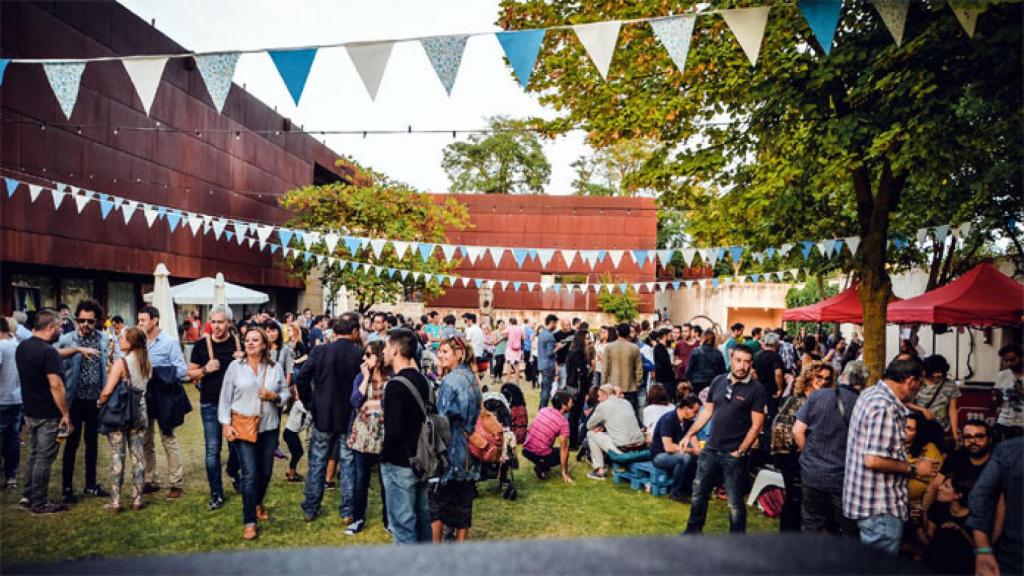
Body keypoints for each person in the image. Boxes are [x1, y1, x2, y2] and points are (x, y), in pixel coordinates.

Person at [842, 358, 936, 555]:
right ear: (910, 381)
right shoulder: (885, 407)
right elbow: (873, 459)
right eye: (920, 384)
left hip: (866, 501)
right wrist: (914, 468)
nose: (919, 390)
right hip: (880, 506)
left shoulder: (870, 394)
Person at [681, 345, 765, 535]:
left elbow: (756, 425)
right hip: (710, 450)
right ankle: (692, 532)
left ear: (751, 364)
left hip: (734, 455)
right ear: (731, 360)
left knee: (734, 503)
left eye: (747, 362)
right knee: (698, 494)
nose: (742, 366)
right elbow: (707, 412)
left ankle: (736, 541)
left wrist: (741, 451)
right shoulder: (718, 381)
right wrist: (689, 434)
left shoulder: (756, 389)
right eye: (738, 360)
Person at [219, 327, 289, 540]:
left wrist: (274, 396)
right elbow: (225, 397)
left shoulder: (275, 367)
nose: (249, 343)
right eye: (247, 340)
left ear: (264, 345)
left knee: (265, 472)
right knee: (249, 473)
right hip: (242, 426)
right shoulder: (235, 367)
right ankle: (249, 521)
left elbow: (286, 392)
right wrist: (225, 423)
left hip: (268, 426)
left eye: (255, 340)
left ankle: (257, 501)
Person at [296, 312, 363, 524]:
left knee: (317, 463)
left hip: (323, 414)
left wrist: (310, 404)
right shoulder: (359, 353)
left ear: (334, 331)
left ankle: (310, 507)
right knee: (348, 464)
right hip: (348, 416)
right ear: (354, 332)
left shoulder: (321, 351)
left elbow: (302, 378)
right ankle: (347, 511)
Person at [793, 361, 860, 537]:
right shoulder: (860, 403)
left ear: (842, 376)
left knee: (811, 523)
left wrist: (809, 454)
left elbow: (797, 431)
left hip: (813, 472)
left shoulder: (817, 397)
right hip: (842, 476)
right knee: (846, 527)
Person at [380, 328, 434, 544]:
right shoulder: (423, 380)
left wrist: (383, 456)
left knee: (402, 527)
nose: (383, 351)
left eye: (385, 346)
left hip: (399, 462)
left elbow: (394, 431)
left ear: (395, 349)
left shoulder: (395, 385)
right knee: (422, 520)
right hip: (422, 458)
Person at [55, 298, 111, 503]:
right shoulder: (67, 339)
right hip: (74, 400)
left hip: (95, 400)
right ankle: (67, 488)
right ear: (77, 320)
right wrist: (77, 350)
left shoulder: (103, 339)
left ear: (97, 321)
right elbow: (52, 354)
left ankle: (90, 484)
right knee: (71, 443)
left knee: (92, 444)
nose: (85, 325)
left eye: (90, 321)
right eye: (82, 320)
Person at [16, 308, 72, 514]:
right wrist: (65, 413)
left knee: (33, 455)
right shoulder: (48, 352)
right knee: (44, 458)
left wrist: (76, 350)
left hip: (29, 410)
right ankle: (39, 502)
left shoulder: (23, 347)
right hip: (48, 413)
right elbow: (56, 385)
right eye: (59, 326)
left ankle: (28, 495)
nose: (61, 329)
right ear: (50, 327)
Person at [186, 305, 241, 511]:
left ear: (228, 323)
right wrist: (205, 369)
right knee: (212, 450)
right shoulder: (201, 345)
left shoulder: (238, 343)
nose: (217, 326)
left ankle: (234, 472)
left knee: (237, 446)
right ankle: (216, 493)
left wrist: (243, 360)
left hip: (235, 405)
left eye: (221, 322)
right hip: (210, 403)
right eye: (214, 322)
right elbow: (189, 374)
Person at [431, 336, 482, 543]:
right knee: (463, 503)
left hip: (452, 447)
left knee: (437, 502)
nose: (440, 356)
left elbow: (442, 419)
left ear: (459, 354)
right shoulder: (471, 377)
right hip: (470, 446)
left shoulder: (450, 382)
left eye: (445, 352)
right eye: (439, 351)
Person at [772, 363, 834, 532]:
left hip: (808, 457)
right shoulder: (798, 400)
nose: (823, 382)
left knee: (804, 501)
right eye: (819, 377)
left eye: (827, 379)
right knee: (795, 498)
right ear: (809, 377)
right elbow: (782, 428)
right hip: (792, 457)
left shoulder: (822, 401)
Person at [96, 326, 151, 512]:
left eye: (123, 338)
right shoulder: (145, 361)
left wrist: (99, 402)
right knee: (138, 456)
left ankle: (115, 501)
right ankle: (137, 499)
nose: (119, 340)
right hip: (140, 412)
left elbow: (108, 391)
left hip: (121, 413)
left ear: (131, 342)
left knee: (117, 457)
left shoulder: (123, 362)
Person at [137, 305, 188, 500]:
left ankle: (176, 483)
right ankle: (150, 480)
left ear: (154, 320)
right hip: (144, 395)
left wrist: (158, 372)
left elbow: (181, 370)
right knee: (146, 440)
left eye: (143, 320)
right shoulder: (139, 342)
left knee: (168, 439)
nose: (140, 324)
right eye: (139, 320)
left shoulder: (169, 343)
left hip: (165, 396)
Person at [347, 340, 389, 535]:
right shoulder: (360, 377)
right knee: (360, 479)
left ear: (380, 356)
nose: (364, 358)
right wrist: (365, 378)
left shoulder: (392, 378)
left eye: (369, 355)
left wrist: (372, 405)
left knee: (386, 480)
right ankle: (357, 518)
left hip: (385, 434)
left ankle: (388, 520)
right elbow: (355, 401)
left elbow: (391, 406)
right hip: (362, 434)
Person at [968, 436, 1022, 576]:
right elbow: (980, 496)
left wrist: (983, 548)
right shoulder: (1008, 450)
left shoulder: (1008, 449)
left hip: (1014, 553)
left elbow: (980, 496)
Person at [923, 419, 994, 520]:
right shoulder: (956, 457)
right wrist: (925, 519)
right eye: (968, 437)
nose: (973, 441)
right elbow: (933, 487)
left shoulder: (997, 462)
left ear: (989, 439)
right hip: (955, 516)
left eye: (979, 436)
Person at [585, 384, 645, 481]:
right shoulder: (626, 402)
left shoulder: (603, 406)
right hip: (639, 445)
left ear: (605, 395)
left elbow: (588, 425)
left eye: (599, 396)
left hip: (622, 449)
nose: (598, 399)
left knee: (591, 434)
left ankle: (600, 470)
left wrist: (598, 427)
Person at [922, 474, 976, 575]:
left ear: (958, 495)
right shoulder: (937, 509)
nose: (939, 487)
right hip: (936, 562)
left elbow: (978, 548)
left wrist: (959, 529)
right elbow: (929, 537)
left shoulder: (974, 517)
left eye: (946, 486)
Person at [651, 395, 702, 503]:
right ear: (686, 409)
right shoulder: (668, 419)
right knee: (685, 458)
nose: (696, 414)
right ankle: (676, 492)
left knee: (697, 458)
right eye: (695, 411)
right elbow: (669, 447)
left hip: (676, 453)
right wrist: (693, 450)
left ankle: (692, 490)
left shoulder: (688, 421)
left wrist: (699, 450)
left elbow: (693, 438)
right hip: (660, 455)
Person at [522, 389, 574, 483]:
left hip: (526, 450)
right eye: (570, 403)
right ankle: (541, 466)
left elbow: (530, 429)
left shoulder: (543, 410)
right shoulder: (563, 423)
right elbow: (564, 448)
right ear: (563, 406)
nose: (572, 404)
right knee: (563, 452)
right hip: (539, 453)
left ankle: (542, 464)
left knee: (548, 448)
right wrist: (565, 473)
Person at [908, 355, 961, 445]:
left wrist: (955, 433)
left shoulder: (950, 385)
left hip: (941, 429)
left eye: (941, 372)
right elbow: (906, 403)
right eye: (935, 372)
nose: (938, 375)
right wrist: (923, 410)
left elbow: (952, 410)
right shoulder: (918, 383)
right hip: (920, 429)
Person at [0, 318, 22, 489]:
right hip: (16, 398)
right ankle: (11, 476)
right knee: (13, 438)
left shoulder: (1, 346)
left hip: (2, 398)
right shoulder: (17, 345)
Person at [603, 323, 643, 415]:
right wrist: (638, 383)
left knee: (613, 415)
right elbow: (639, 369)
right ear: (628, 333)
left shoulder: (609, 347)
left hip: (613, 387)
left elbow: (605, 369)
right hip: (630, 387)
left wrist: (604, 385)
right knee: (630, 415)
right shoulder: (634, 348)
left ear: (617, 332)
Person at [565, 329, 593, 450]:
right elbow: (581, 373)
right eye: (586, 338)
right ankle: (573, 443)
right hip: (577, 388)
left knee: (574, 416)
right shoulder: (578, 354)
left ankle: (573, 441)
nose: (588, 341)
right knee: (574, 416)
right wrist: (586, 390)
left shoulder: (575, 352)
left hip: (574, 386)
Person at [994, 343, 1023, 440]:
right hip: (1004, 422)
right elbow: (997, 402)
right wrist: (996, 397)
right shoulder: (1002, 375)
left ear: (1021, 357)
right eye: (1006, 361)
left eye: (1013, 359)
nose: (1009, 363)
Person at [535, 315, 557, 409]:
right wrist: (558, 348)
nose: (556, 325)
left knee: (544, 388)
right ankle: (543, 408)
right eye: (555, 323)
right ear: (551, 323)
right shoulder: (550, 336)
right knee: (547, 390)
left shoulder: (541, 334)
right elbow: (550, 353)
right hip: (548, 365)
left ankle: (541, 407)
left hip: (541, 364)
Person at [652, 329, 675, 400]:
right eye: (670, 336)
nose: (672, 337)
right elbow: (664, 362)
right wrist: (673, 364)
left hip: (666, 380)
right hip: (664, 380)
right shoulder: (659, 348)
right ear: (665, 336)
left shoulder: (662, 348)